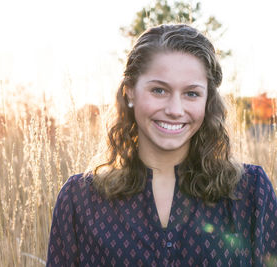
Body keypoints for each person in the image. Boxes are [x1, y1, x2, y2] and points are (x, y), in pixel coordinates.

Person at [46, 24, 277, 266]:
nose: (175, 110)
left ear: (208, 100)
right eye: (159, 90)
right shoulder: (79, 200)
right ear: (130, 92)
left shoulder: (251, 191)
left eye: (191, 94)